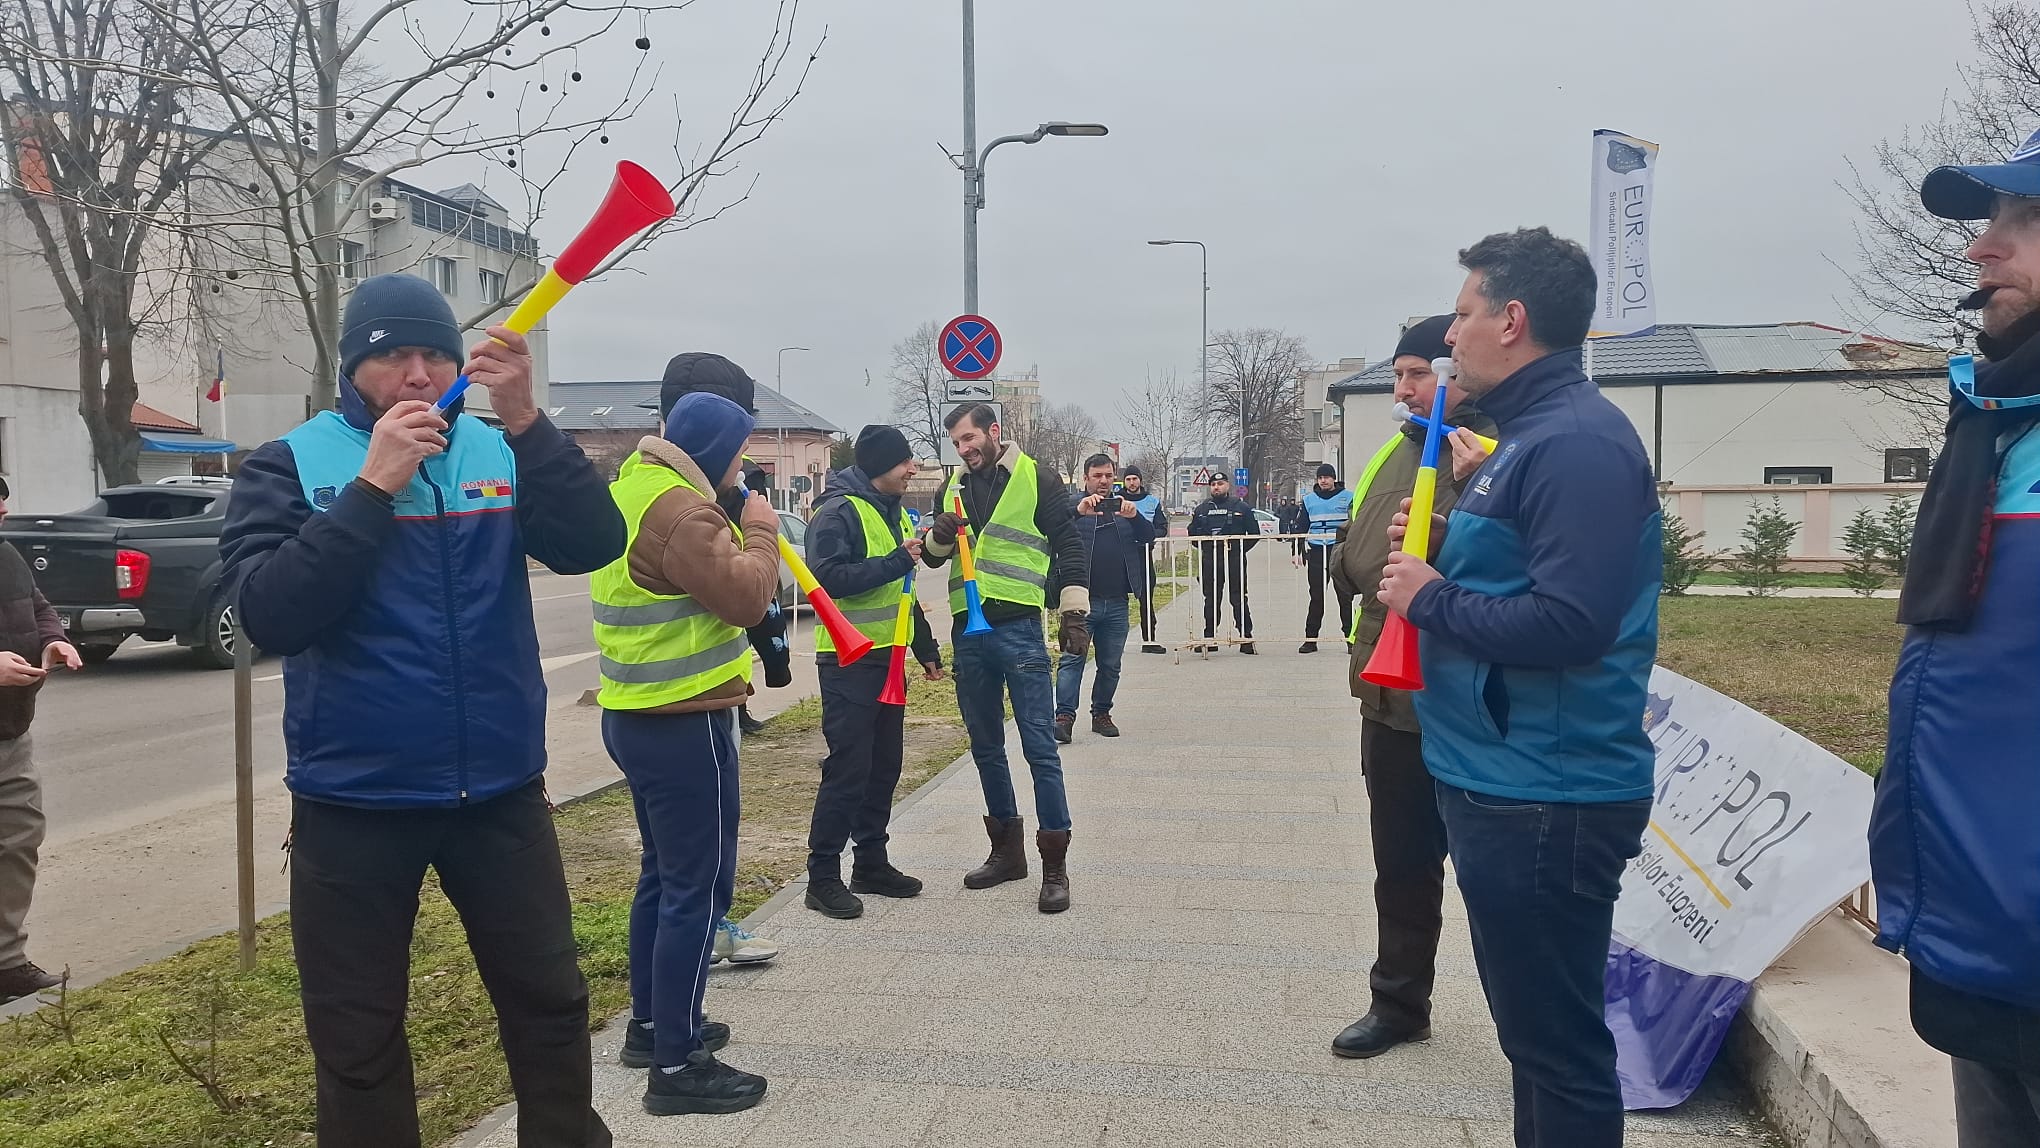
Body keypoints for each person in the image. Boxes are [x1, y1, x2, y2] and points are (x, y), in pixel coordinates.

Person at [218, 273, 626, 1146]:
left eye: (434, 353)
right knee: (358, 1040)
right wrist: (371, 491)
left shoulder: (496, 449)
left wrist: (527, 419)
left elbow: (594, 542)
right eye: (391, 356)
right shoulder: (289, 463)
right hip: (353, 803)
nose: (415, 373)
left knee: (551, 1006)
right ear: (353, 367)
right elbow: (268, 614)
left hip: (501, 794)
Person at [1375, 228, 1660, 1148]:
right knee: (1534, 1043)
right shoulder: (1522, 439)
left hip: (1546, 792)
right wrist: (1444, 558)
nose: (1449, 339)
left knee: (1559, 1051)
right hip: (1502, 777)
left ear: (1513, 319)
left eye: (1462, 316)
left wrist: (1431, 596)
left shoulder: (1574, 444)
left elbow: (1573, 625)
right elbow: (1517, 576)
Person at [1868, 136, 2040, 1147]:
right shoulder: (1997, 424)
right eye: (1989, 220)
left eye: (2024, 221)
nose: (1983, 250)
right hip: (1982, 945)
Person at [593, 391, 782, 1116]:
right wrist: (760, 531)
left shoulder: (631, 490)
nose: (742, 470)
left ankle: (652, 1025)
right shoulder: (683, 511)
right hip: (685, 720)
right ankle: (677, 1064)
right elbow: (745, 598)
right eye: (738, 456)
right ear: (714, 452)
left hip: (633, 715)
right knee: (696, 890)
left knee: (661, 878)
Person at [1325, 314, 1497, 1061]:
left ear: (1454, 369)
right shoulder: (1396, 450)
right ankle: (1399, 1003)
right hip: (1390, 694)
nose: (1403, 388)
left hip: (1467, 693)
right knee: (1399, 862)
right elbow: (1362, 558)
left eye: (1416, 373)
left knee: (1495, 872)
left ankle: (1529, 1020)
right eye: (1398, 375)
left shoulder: (1495, 447)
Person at [920, 403, 1087, 913]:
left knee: (1039, 747)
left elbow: (1070, 543)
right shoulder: (952, 488)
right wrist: (939, 535)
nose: (965, 450)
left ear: (994, 432)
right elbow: (931, 557)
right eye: (957, 444)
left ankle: (1054, 865)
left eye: (970, 439)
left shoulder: (1037, 477)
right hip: (969, 634)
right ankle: (1007, 853)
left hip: (1018, 630)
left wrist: (1074, 612)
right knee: (985, 746)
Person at [801, 424, 944, 920]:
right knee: (849, 769)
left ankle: (871, 863)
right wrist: (891, 561)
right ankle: (822, 877)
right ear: (881, 464)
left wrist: (924, 647)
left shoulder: (894, 513)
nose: (911, 469)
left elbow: (903, 589)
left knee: (884, 766)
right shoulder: (838, 511)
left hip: (888, 659)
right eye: (905, 461)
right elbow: (827, 579)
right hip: (847, 661)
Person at [0, 474, 81, 1005]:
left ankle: (5, 963)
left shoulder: (7, 556)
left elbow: (39, 607)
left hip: (9, 731)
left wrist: (53, 641)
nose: (1, 517)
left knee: (18, 841)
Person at [1054, 453, 1156, 742]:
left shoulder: (1125, 508)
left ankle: (1101, 713)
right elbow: (1050, 528)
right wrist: (1078, 510)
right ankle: (1064, 717)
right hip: (1080, 602)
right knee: (1072, 660)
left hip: (1116, 603)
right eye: (1097, 476)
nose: (1103, 481)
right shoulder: (1073, 507)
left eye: (1109, 476)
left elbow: (1149, 536)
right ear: (1085, 478)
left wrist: (1134, 516)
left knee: (1110, 665)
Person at [1188, 472, 1258, 654]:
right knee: (1211, 599)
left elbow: (1254, 533)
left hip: (1234, 557)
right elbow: (1193, 534)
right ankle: (1210, 637)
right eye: (1213, 484)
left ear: (1227, 485)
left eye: (1220, 483)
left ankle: (1245, 638)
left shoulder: (1240, 507)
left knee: (1238, 597)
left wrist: (1240, 549)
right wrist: (1205, 548)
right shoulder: (1202, 509)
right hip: (1210, 559)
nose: (1216, 487)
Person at [1297, 464, 1354, 654]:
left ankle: (1350, 638)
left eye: (1327, 477)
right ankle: (1310, 639)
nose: (1323, 481)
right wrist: (1297, 551)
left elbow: (1356, 524)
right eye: (1320, 477)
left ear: (1334, 478)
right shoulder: (1308, 500)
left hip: (1339, 552)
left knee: (1344, 597)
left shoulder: (1349, 497)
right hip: (1316, 553)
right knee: (1316, 597)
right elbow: (1301, 527)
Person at [1120, 466, 1170, 654]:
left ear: (1140, 480)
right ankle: (1116, 642)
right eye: (1128, 479)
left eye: (1135, 478)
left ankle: (1149, 640)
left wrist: (1148, 536)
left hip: (1143, 554)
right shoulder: (1117, 500)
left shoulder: (1152, 502)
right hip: (1120, 555)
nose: (1132, 482)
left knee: (1146, 599)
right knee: (1118, 599)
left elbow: (1162, 527)